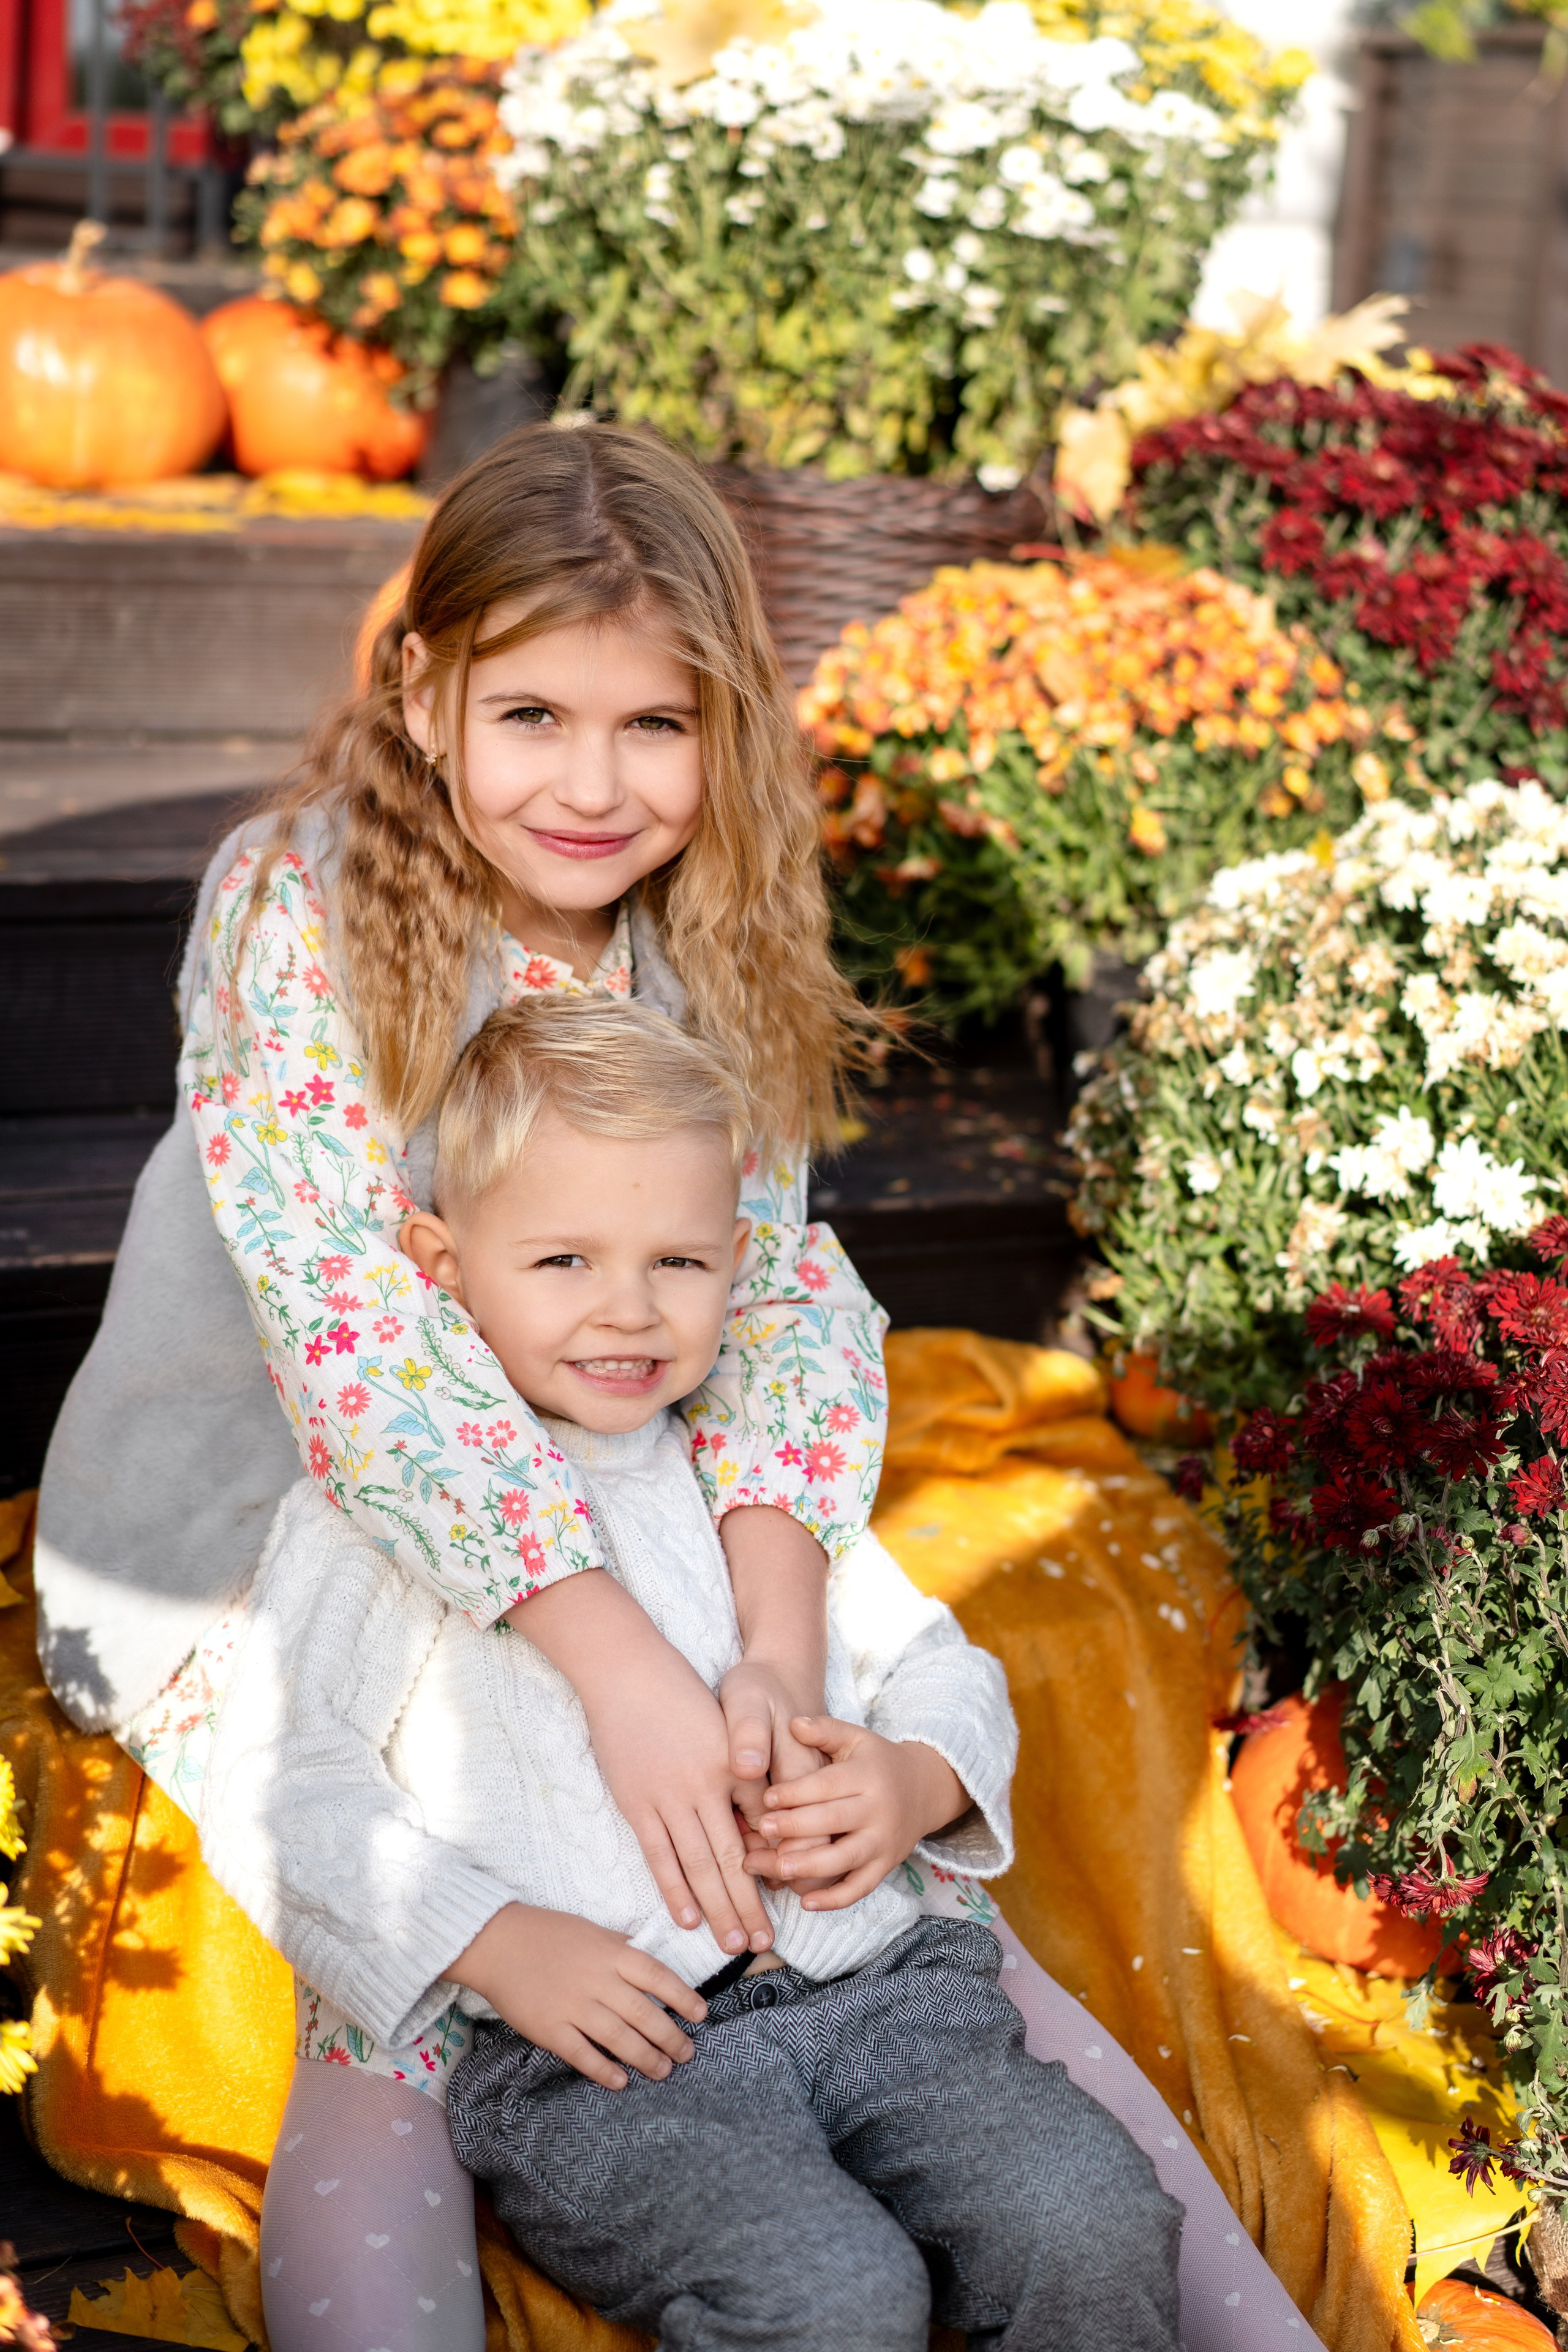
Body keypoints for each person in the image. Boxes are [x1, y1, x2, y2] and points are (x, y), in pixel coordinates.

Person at [34, 417, 1328, 2352]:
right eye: (533, 715)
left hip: (619, 1435)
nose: (592, 782)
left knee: (907, 1931)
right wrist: (634, 1679)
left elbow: (787, 1295)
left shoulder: (699, 934)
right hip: (289, 1521)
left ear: (727, 734)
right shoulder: (296, 905)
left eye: (655, 727)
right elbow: (359, 1354)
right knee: (421, 1954)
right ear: (420, 692)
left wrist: (778, 1663)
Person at [197, 996, 1186, 2352]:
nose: (627, 1310)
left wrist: (911, 1779)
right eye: (560, 1261)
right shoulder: (381, 1516)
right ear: (440, 1264)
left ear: (735, 1264)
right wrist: (494, 1944)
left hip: (888, 2000)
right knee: (829, 2297)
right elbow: (281, 1786)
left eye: (675, 1261)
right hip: (613, 2064)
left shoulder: (752, 1481)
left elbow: (933, 1665)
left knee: (1091, 2215)